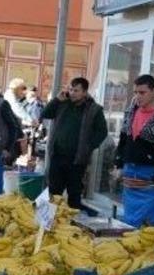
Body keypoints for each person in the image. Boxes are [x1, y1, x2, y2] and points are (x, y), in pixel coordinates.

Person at [114, 74, 154, 230]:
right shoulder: (131, 111)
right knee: (130, 225)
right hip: (130, 176)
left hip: (151, 178)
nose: (138, 96)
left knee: (152, 227)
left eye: (142, 92)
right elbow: (124, 139)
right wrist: (118, 163)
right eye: (136, 92)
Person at [41, 77, 108, 210]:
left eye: (76, 90)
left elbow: (102, 132)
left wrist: (88, 146)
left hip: (77, 160)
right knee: (54, 192)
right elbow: (45, 113)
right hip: (57, 155)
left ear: (84, 92)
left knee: (74, 193)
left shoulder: (94, 109)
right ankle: (51, 222)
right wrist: (56, 100)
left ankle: (72, 225)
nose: (72, 93)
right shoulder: (62, 104)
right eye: (71, 89)